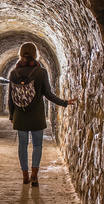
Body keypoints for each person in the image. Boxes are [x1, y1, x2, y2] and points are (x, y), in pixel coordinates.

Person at [8, 42, 76, 187]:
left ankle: (24, 175)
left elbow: (11, 97)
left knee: (22, 145)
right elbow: (48, 94)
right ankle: (34, 174)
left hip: (20, 114)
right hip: (37, 114)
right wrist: (64, 102)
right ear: (35, 54)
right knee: (37, 145)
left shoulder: (14, 73)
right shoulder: (41, 72)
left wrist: (12, 116)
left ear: (20, 54)